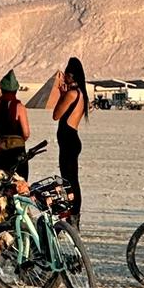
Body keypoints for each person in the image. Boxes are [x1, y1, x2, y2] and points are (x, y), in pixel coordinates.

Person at [53, 56, 89, 226]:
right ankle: (73, 215)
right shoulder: (81, 94)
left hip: (68, 141)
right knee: (72, 179)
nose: (64, 77)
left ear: (72, 76)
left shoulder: (71, 94)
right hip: (72, 140)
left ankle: (73, 215)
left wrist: (61, 96)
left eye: (66, 74)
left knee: (69, 181)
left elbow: (56, 115)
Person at [0, 71, 30, 178]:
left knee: (2, 181)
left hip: (0, 150)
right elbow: (26, 133)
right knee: (19, 182)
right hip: (17, 151)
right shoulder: (19, 107)